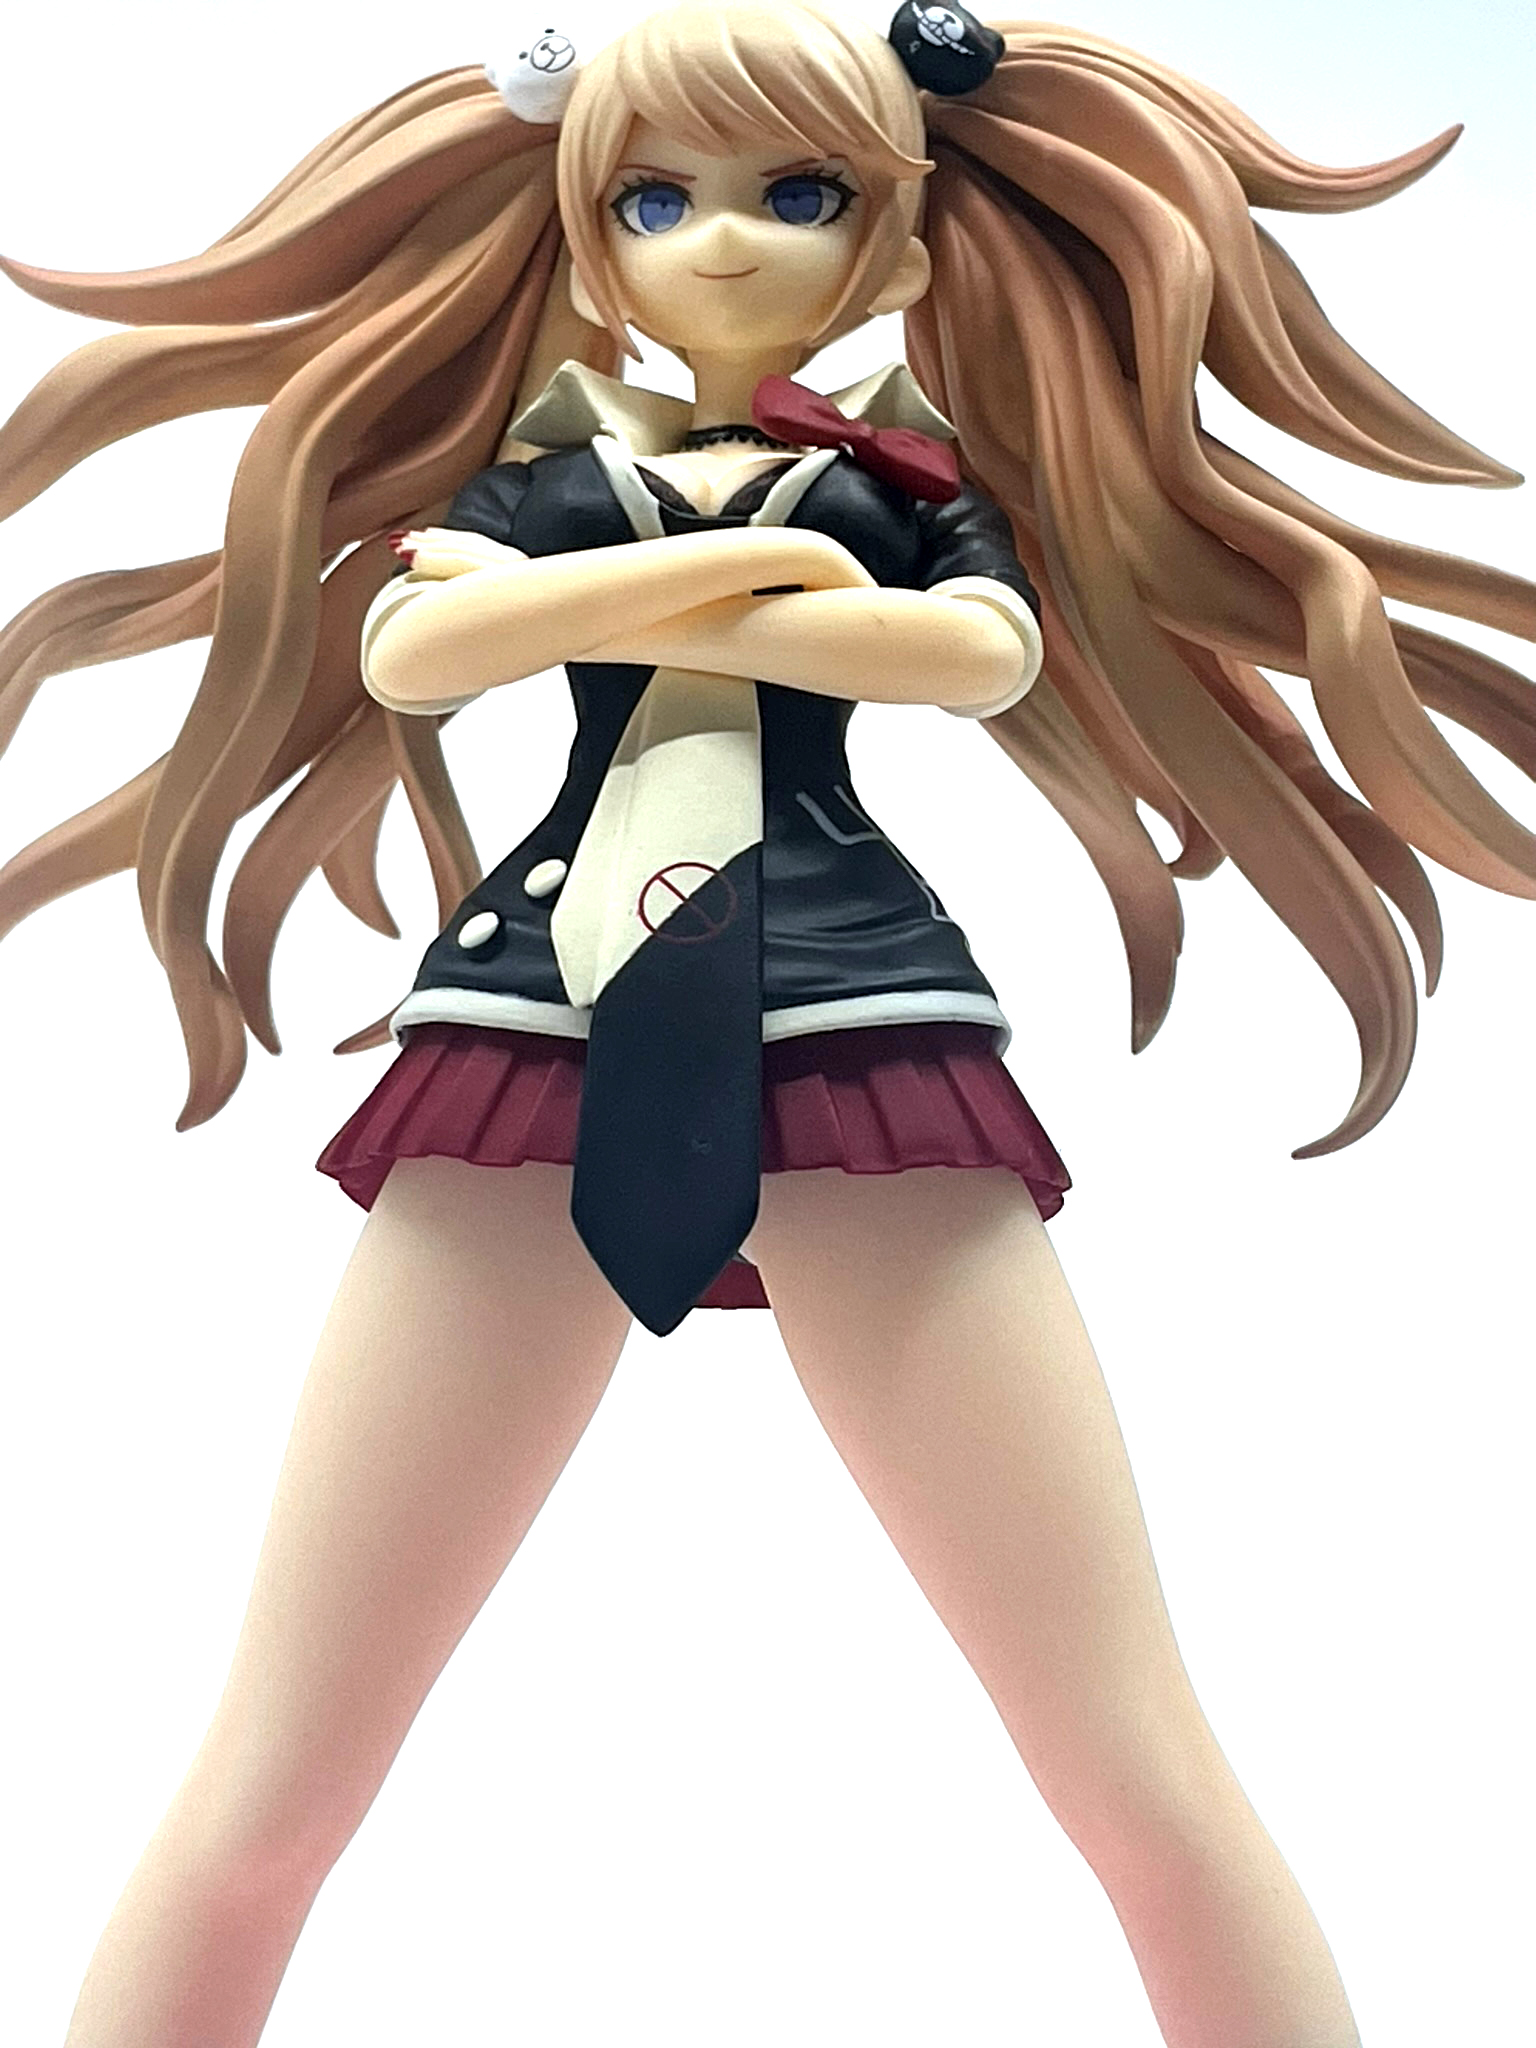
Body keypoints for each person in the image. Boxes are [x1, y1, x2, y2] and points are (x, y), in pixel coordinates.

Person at [0, 5, 1530, 2044]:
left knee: (1134, 1765)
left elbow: (974, 656)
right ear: (589, 237)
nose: (720, 242)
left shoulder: (905, 480)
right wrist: (753, 570)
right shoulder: (557, 477)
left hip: (854, 1032)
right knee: (275, 1780)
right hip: (534, 1037)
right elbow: (419, 645)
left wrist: (672, 585)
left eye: (794, 194)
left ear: (892, 241)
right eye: (657, 199)